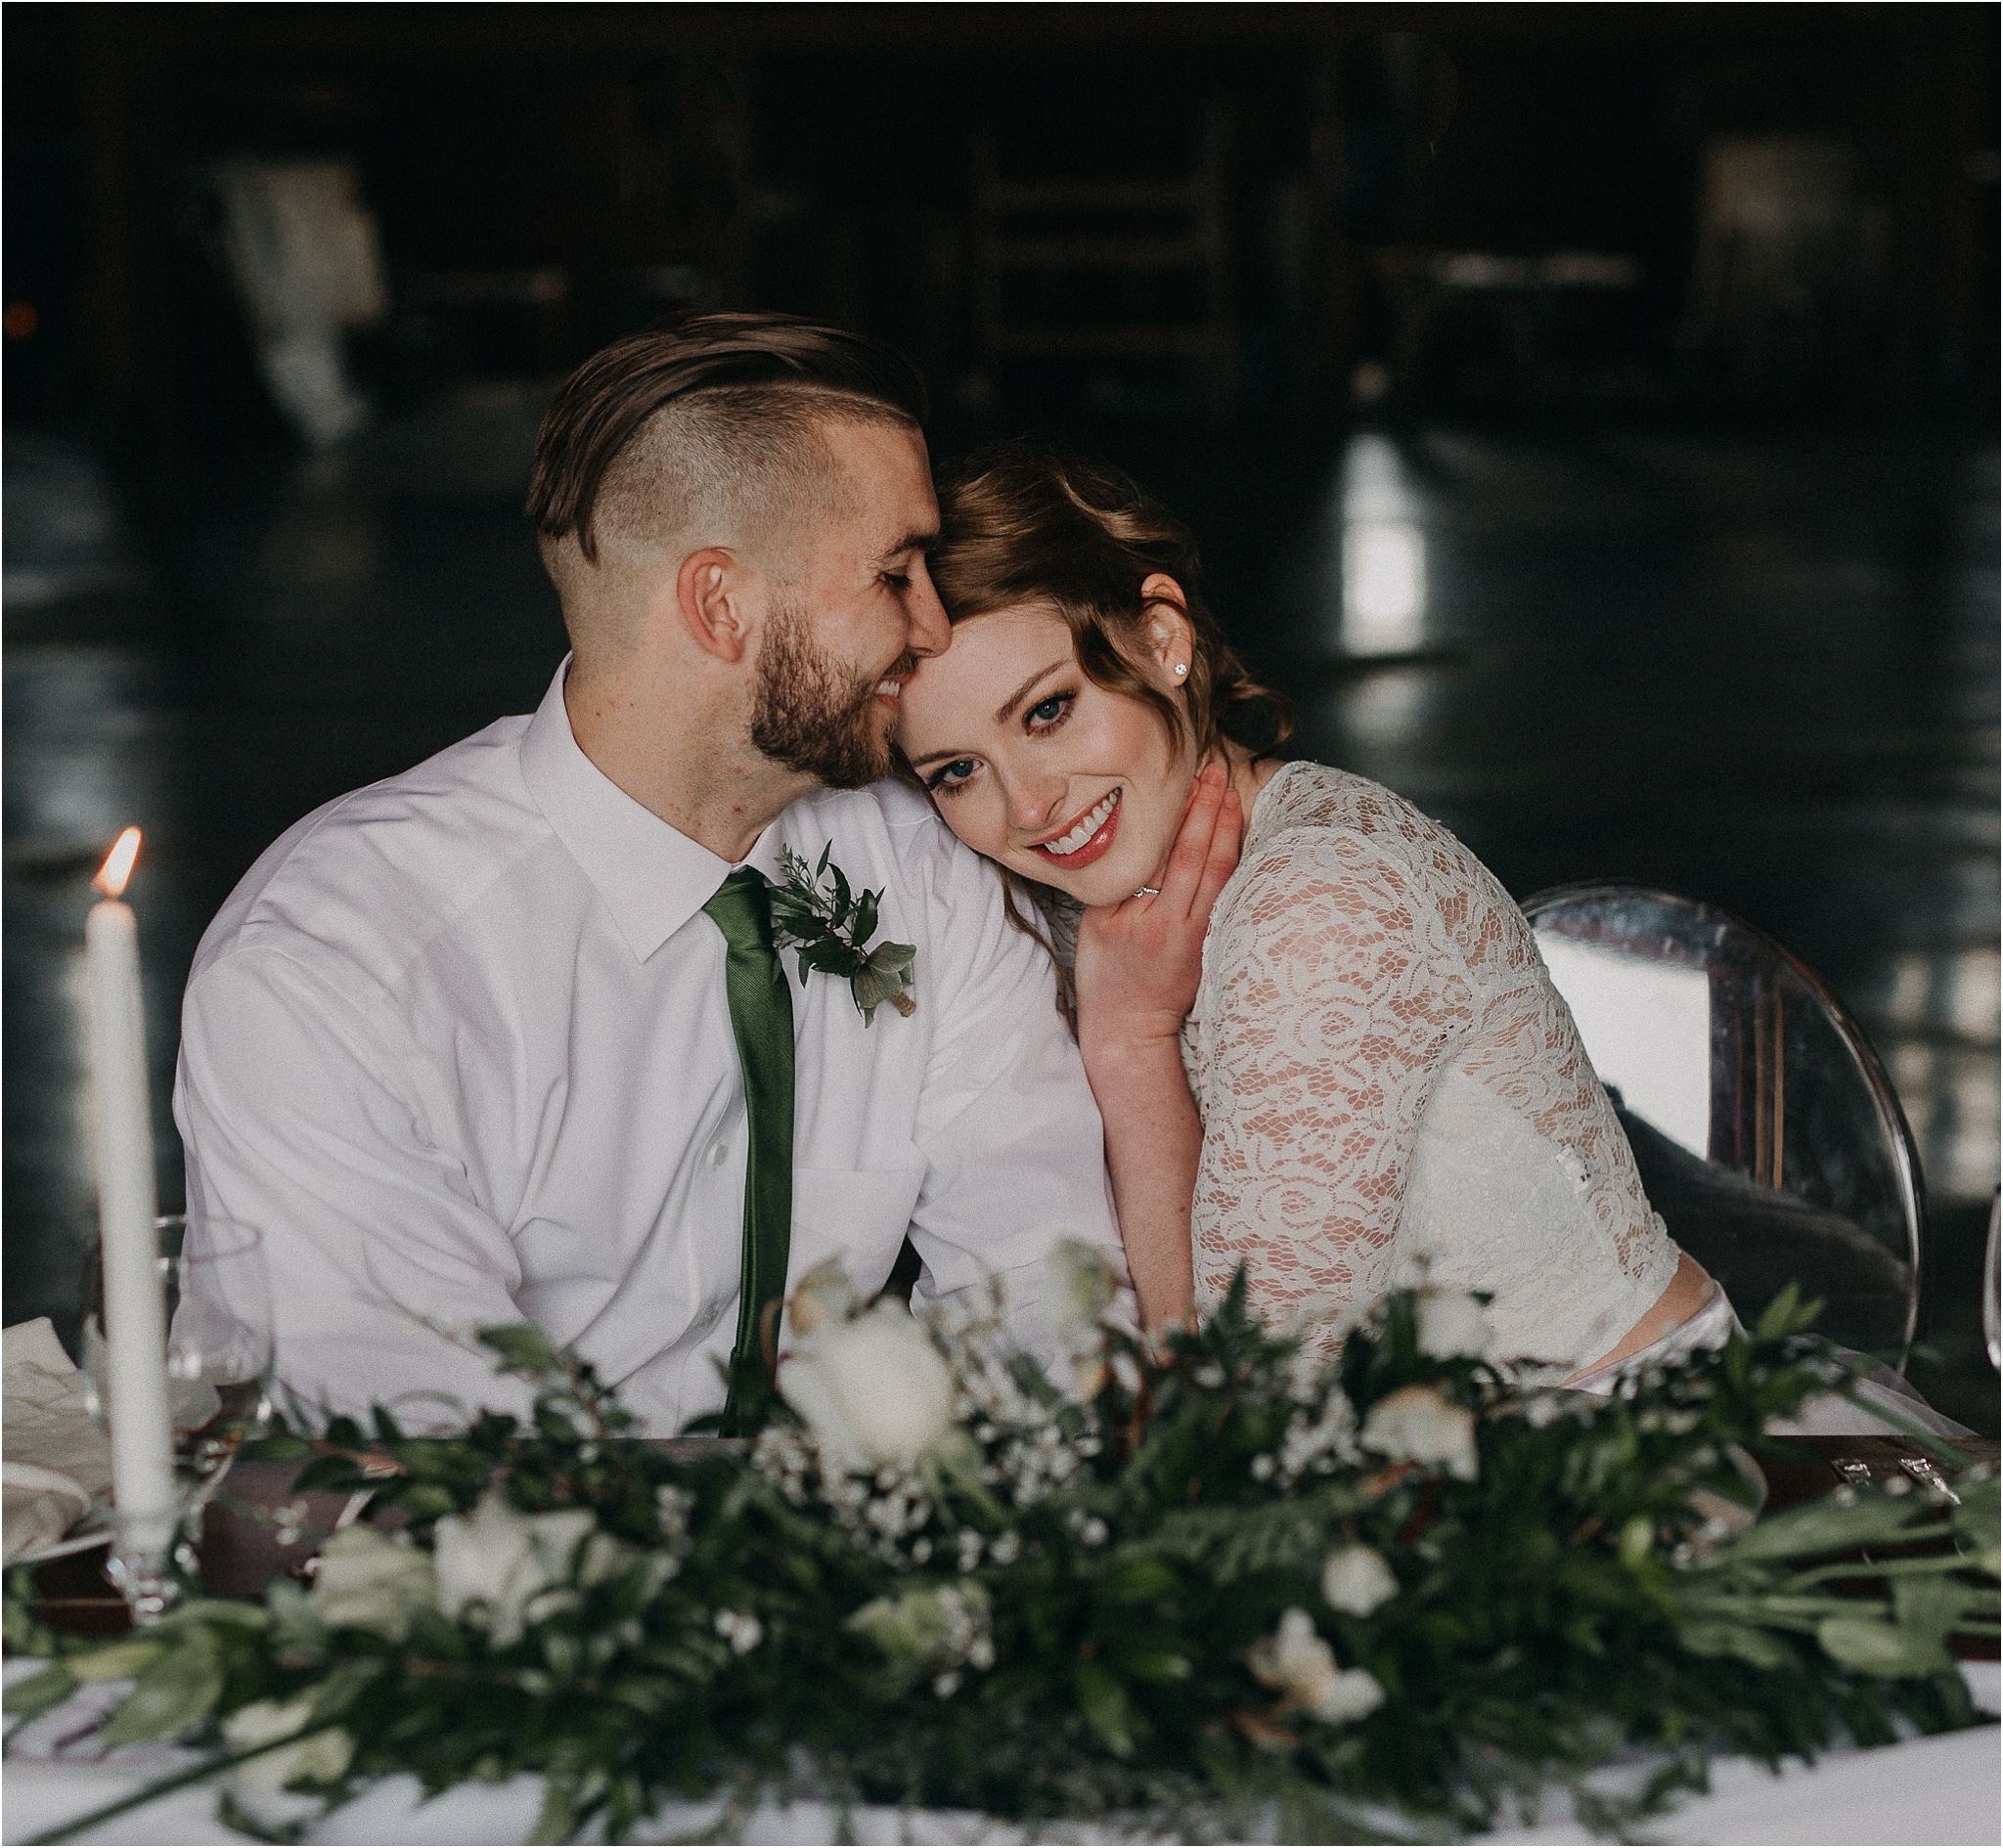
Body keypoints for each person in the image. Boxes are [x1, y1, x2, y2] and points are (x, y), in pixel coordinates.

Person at [174, 319, 1126, 1436]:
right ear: (719, 604)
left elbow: (1044, 1291)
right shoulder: (336, 970)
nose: (931, 626)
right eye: (892, 572)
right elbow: (429, 1443)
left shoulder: (920, 863)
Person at [896, 442, 1717, 1378]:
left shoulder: (1317, 908)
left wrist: (1131, 1041)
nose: (1030, 807)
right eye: (958, 771)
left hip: (1638, 1448)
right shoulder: (1080, 892)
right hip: (1412, 1471)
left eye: (1047, 711)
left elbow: (1247, 1398)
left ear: (1163, 636)